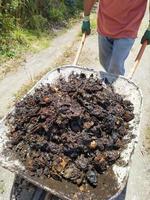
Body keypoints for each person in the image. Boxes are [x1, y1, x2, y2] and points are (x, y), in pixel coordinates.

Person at [82, 0, 150, 75]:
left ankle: (116, 84)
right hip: (104, 25)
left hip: (128, 28)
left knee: (116, 66)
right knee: (104, 62)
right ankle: (111, 80)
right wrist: (86, 18)